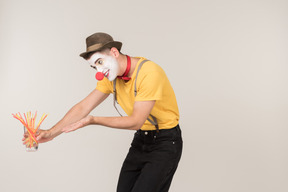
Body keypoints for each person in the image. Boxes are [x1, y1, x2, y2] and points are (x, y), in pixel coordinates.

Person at [26, 32, 183, 192]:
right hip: (141, 140)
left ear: (114, 52)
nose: (99, 71)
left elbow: (136, 121)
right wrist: (51, 133)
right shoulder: (112, 78)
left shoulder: (149, 73)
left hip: (165, 142)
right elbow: (83, 107)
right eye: (95, 66)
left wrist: (94, 120)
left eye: (100, 62)